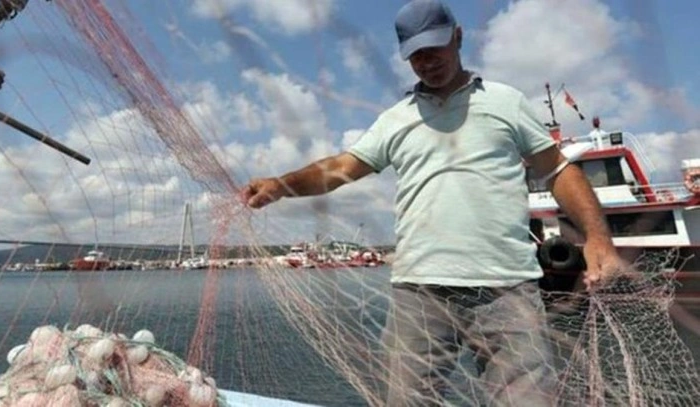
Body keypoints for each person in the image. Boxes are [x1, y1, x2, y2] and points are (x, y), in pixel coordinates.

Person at [240, 0, 624, 405]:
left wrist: (598, 237)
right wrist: (281, 185)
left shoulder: (506, 102)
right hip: (418, 294)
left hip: (507, 289)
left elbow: (559, 170)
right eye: (416, 54)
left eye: (435, 48)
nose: (427, 61)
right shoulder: (394, 119)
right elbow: (341, 168)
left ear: (457, 37)